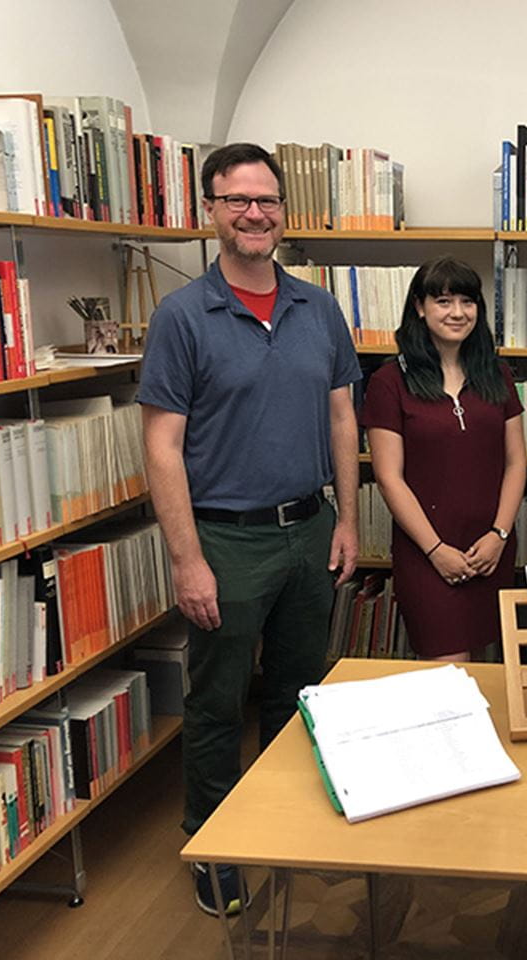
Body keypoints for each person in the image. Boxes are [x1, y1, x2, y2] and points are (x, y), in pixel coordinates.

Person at [138, 142, 361, 917]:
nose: (255, 214)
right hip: (224, 541)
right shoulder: (182, 316)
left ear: (282, 212)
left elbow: (342, 417)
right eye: (237, 201)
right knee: (216, 701)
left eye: (266, 200)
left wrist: (348, 521)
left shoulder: (319, 307)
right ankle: (213, 842)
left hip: (309, 530)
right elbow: (162, 446)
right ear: (212, 213)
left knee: (298, 694)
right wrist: (187, 560)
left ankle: (281, 823)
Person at [361, 256, 526, 661]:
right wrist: (436, 550)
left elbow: (516, 462)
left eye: (467, 302)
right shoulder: (388, 382)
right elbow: (388, 477)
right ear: (419, 306)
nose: (457, 313)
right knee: (448, 677)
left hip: (492, 548)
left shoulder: (497, 375)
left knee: (494, 675)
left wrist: (499, 536)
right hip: (427, 554)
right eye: (444, 301)